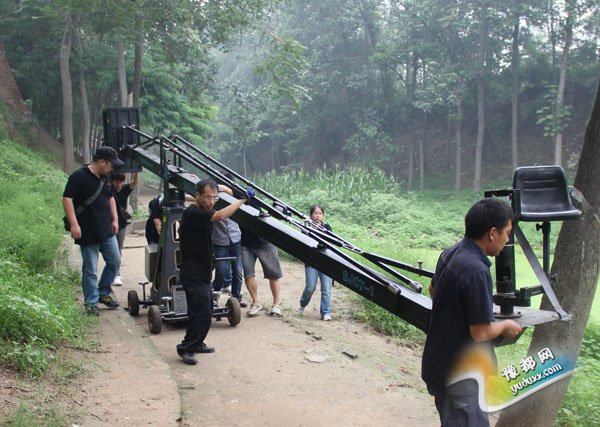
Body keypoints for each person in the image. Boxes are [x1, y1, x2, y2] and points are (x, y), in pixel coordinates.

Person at [421, 198, 523, 426]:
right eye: (507, 233)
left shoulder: (450, 252)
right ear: (492, 233)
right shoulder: (477, 271)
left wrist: (454, 315)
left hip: (439, 363)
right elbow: (481, 332)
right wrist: (505, 326)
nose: (507, 240)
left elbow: (432, 289)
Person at [176, 179, 248, 365]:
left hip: (203, 270)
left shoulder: (203, 211)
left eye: (214, 198)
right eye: (208, 197)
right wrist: (241, 201)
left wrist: (223, 189)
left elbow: (219, 198)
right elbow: (221, 216)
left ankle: (197, 343)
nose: (211, 201)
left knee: (207, 309)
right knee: (199, 311)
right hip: (193, 272)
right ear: (197, 196)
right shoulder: (194, 212)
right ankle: (187, 348)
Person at [62, 146, 124, 316]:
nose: (113, 168)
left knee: (115, 261)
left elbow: (110, 197)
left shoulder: (106, 177)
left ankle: (103, 292)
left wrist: (115, 219)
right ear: (102, 162)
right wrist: (74, 224)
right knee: (90, 269)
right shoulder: (79, 176)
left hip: (106, 229)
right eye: (111, 164)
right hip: (87, 230)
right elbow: (67, 199)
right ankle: (91, 302)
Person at [240, 220, 284, 317]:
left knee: (273, 274)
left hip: (265, 242)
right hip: (245, 243)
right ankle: (256, 302)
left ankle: (276, 304)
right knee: (248, 274)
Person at [298, 205, 333, 321]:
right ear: (311, 215)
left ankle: (325, 312)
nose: (318, 216)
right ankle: (303, 304)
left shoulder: (327, 227)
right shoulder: (307, 226)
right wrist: (305, 226)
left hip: (326, 261)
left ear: (323, 215)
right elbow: (303, 239)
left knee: (326, 289)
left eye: (320, 213)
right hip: (311, 261)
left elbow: (331, 241)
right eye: (315, 213)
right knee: (310, 287)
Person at [110, 172, 138, 286]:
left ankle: (116, 274)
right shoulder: (108, 189)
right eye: (117, 181)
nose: (119, 184)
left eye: (121, 182)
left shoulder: (125, 189)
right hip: (108, 224)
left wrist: (136, 171)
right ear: (112, 181)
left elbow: (134, 183)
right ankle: (111, 273)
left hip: (121, 225)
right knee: (110, 250)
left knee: (118, 249)